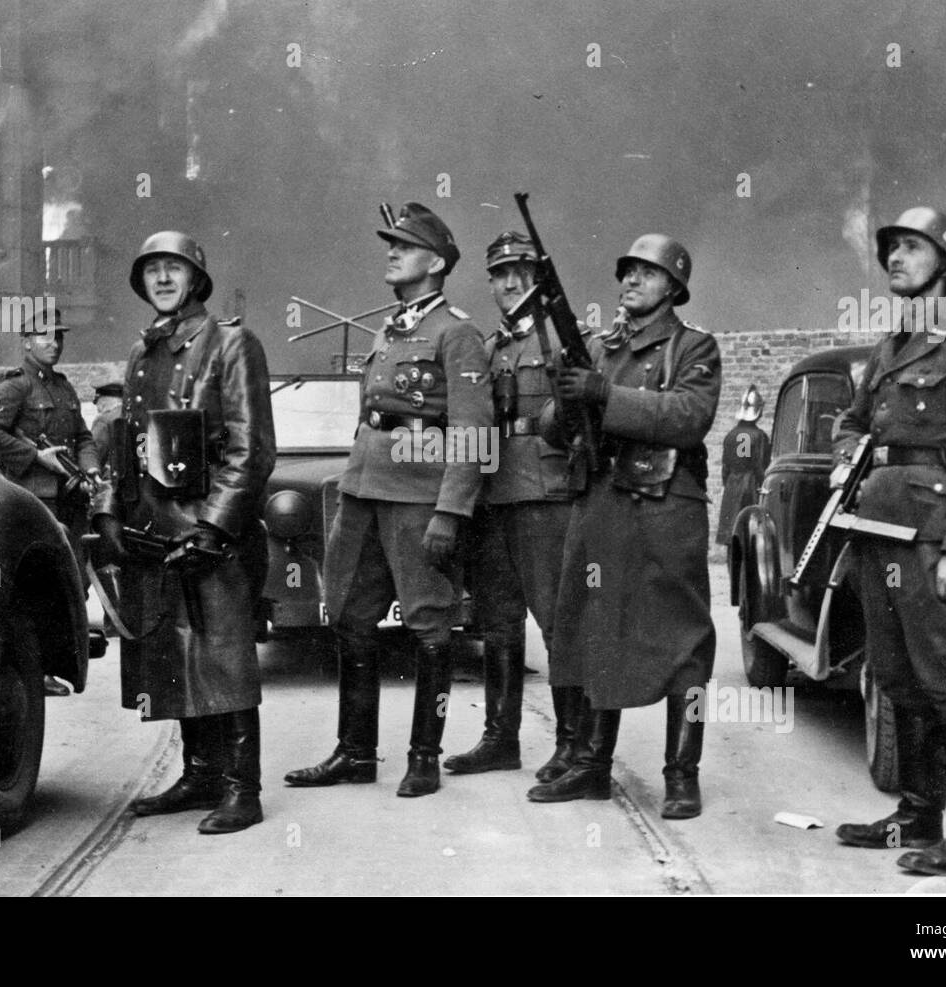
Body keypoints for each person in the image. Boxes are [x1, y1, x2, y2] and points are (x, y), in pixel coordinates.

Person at [285, 202, 492, 798]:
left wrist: (450, 512)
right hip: (362, 491)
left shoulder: (457, 332)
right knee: (350, 615)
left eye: (403, 247)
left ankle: (424, 755)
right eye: (391, 245)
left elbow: (473, 433)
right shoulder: (392, 328)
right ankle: (355, 753)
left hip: (418, 499)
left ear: (435, 262)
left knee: (430, 624)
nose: (392, 254)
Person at [833, 207, 946, 875]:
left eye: (912, 248)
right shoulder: (888, 350)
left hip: (935, 537)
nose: (896, 259)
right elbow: (851, 425)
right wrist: (846, 456)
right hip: (880, 534)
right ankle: (916, 813)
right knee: (898, 675)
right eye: (892, 249)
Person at [527, 232, 721, 819]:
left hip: (667, 507)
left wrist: (603, 394)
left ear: (673, 286)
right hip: (603, 504)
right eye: (627, 271)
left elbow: (688, 417)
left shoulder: (693, 346)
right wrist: (567, 401)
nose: (630, 280)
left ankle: (681, 776)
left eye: (645, 272)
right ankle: (590, 766)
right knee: (594, 629)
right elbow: (547, 428)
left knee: (683, 643)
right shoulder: (599, 347)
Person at [91, 231, 276, 835]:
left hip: (210, 532)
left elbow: (251, 452)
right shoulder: (144, 352)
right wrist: (110, 512)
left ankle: (241, 789)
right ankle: (199, 774)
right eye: (152, 271)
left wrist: (215, 526)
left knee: (225, 656)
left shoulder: (231, 344)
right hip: (153, 526)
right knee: (174, 655)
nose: (163, 279)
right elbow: (128, 442)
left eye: (174, 269)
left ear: (196, 279)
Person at [443, 231, 581, 778]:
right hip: (494, 497)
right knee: (498, 625)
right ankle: (501, 740)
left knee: (557, 622)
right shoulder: (491, 348)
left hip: (546, 496)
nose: (510, 283)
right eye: (500, 274)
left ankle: (574, 744)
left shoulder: (564, 341)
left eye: (521, 271)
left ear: (538, 277)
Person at [0, 304, 99, 697]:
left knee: (71, 582)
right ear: (27, 342)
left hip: (69, 499)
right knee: (35, 585)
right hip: (35, 500)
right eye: (46, 336)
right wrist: (34, 457)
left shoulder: (63, 387)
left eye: (59, 336)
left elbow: (82, 437)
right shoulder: (15, 387)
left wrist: (90, 468)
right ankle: (36, 670)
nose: (55, 343)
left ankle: (57, 661)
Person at [715, 385, 771, 546]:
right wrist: (763, 485)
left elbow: (725, 466)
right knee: (749, 529)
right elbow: (759, 465)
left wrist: (728, 483)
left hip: (732, 483)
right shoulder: (759, 436)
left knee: (732, 528)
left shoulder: (730, 435)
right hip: (750, 484)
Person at [90, 381, 124, 475]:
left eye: (96, 401)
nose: (97, 407)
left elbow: (94, 455)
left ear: (103, 401)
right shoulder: (133, 415)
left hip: (112, 480)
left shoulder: (103, 420)